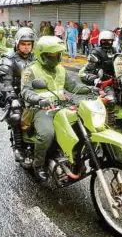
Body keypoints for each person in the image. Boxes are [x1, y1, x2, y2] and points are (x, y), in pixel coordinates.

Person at [21, 36, 92, 181]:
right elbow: (25, 91)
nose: (55, 58)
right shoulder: (31, 70)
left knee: (82, 126)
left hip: (61, 106)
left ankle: (75, 160)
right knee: (47, 134)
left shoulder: (60, 69)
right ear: (41, 55)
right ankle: (38, 164)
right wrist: (40, 100)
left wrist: (91, 89)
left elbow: (73, 86)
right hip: (40, 109)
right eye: (51, 55)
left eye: (57, 54)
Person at [0, 28, 36, 161]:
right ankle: (18, 147)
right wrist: (12, 98)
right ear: (17, 43)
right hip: (14, 94)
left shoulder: (36, 58)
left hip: (32, 93)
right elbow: (4, 82)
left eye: (29, 44)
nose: (26, 47)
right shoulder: (8, 58)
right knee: (17, 116)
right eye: (23, 44)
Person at [79, 30, 117, 126]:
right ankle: (109, 123)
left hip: (115, 79)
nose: (107, 43)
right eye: (104, 41)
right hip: (103, 81)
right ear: (100, 41)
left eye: (109, 41)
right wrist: (98, 80)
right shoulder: (95, 52)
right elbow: (89, 71)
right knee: (110, 99)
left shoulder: (114, 50)